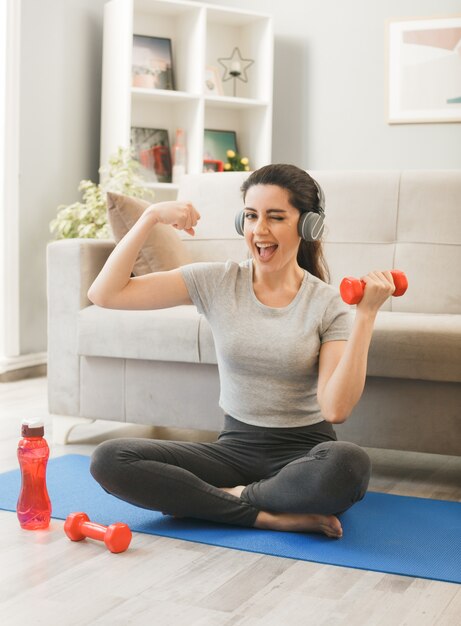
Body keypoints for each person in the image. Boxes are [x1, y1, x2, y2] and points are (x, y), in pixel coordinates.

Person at [89, 164, 396, 539]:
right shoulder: (217, 281)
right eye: (251, 216)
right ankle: (264, 514)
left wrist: (365, 316)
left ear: (307, 226)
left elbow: (336, 409)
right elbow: (105, 294)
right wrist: (151, 217)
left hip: (304, 454)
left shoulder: (326, 304)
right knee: (109, 459)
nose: (259, 230)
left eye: (275, 217)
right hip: (233, 451)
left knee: (348, 464)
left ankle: (224, 500)